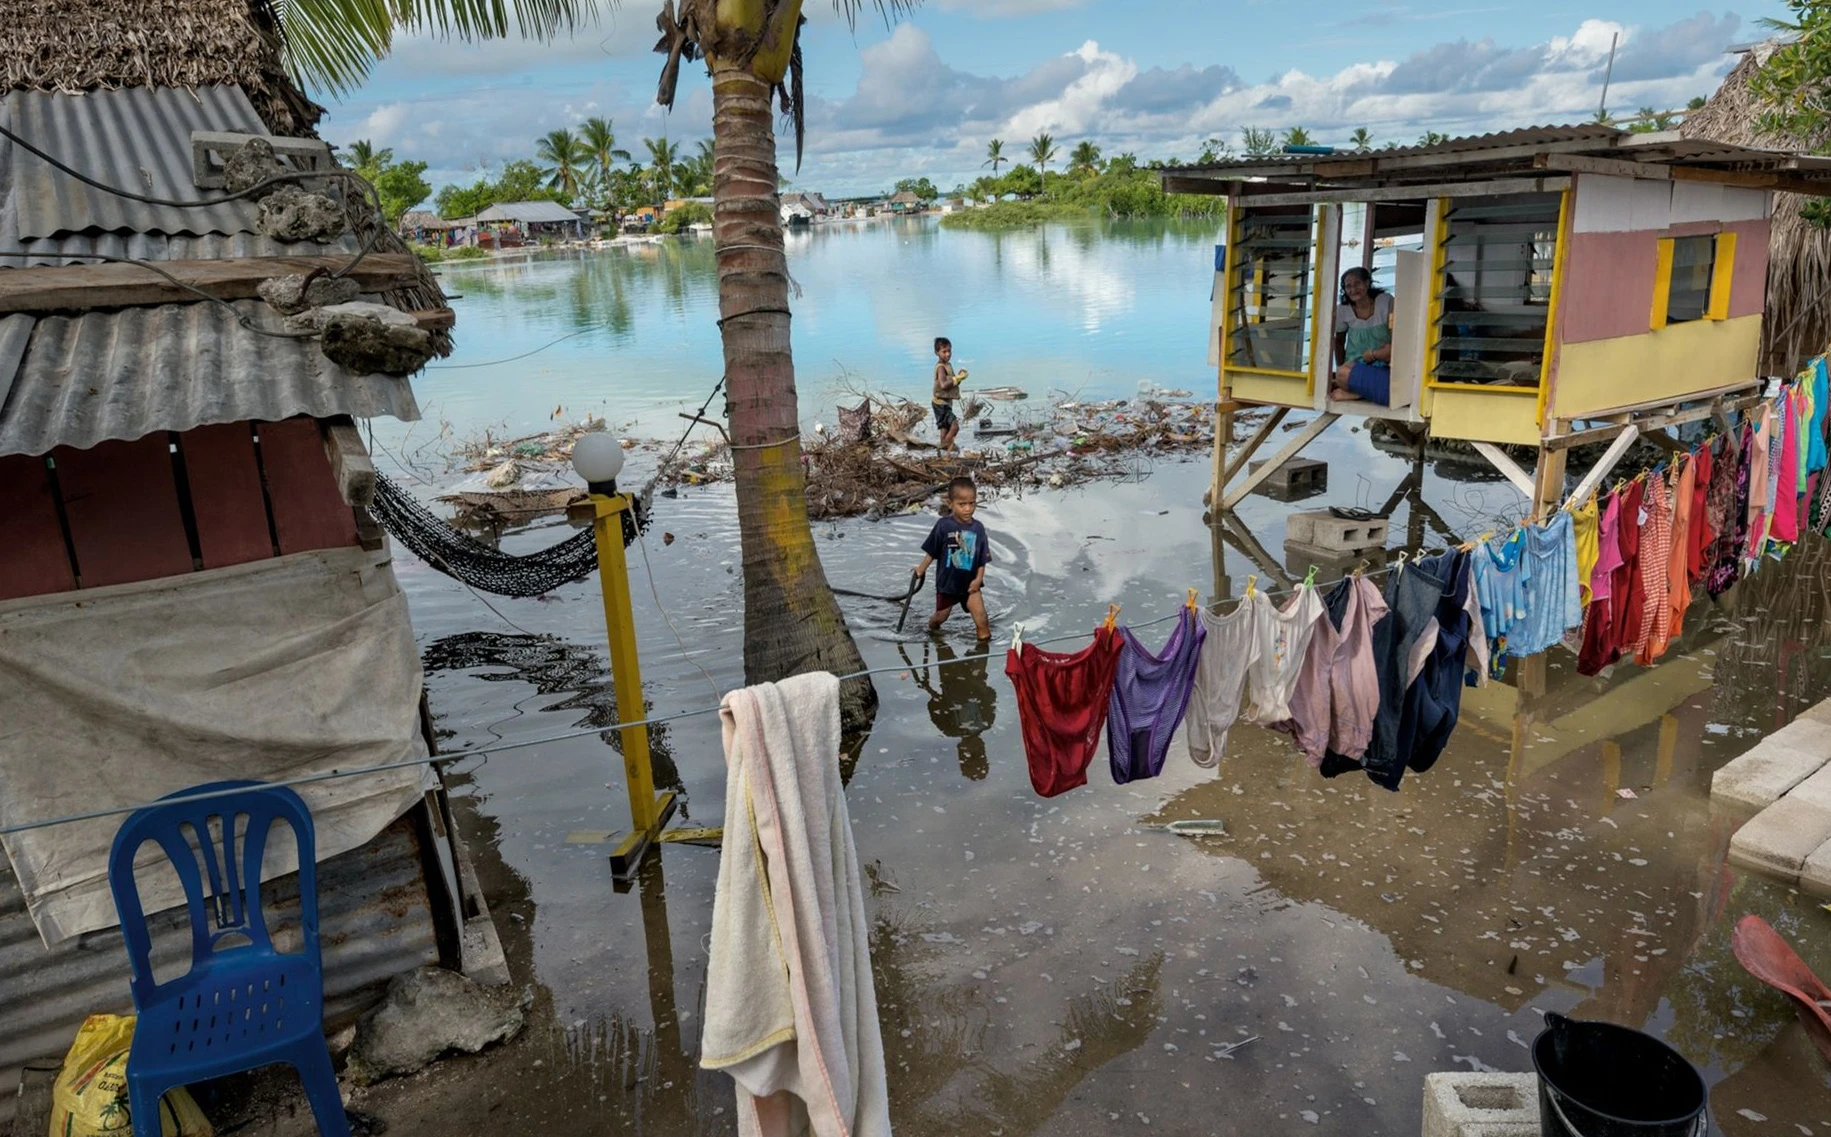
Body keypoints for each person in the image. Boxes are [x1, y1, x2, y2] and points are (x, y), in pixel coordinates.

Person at [913, 476, 991, 638]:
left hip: (971, 586)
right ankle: (931, 627)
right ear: (951, 504)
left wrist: (978, 580)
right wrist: (920, 570)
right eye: (962, 505)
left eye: (972, 503)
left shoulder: (979, 529)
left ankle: (983, 650)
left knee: (982, 620)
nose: (968, 509)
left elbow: (982, 559)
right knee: (941, 617)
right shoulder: (943, 526)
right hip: (948, 585)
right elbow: (931, 552)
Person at [1328, 266, 1393, 405]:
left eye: (1357, 283)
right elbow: (1338, 342)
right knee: (1341, 374)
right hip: (1356, 365)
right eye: (1348, 286)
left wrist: (1376, 354)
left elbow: (1397, 338)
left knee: (1342, 377)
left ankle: (1358, 394)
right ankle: (1356, 389)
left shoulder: (1385, 302)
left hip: (1383, 363)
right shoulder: (1343, 310)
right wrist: (1341, 367)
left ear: (1367, 283)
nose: (1353, 289)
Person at [933, 336, 965, 451]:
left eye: (949, 351)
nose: (947, 354)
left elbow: (952, 383)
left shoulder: (948, 365)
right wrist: (957, 379)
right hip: (941, 404)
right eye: (944, 351)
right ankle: (946, 445)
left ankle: (944, 452)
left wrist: (959, 378)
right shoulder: (941, 367)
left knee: (944, 427)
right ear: (937, 352)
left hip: (942, 402)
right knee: (955, 426)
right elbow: (943, 385)